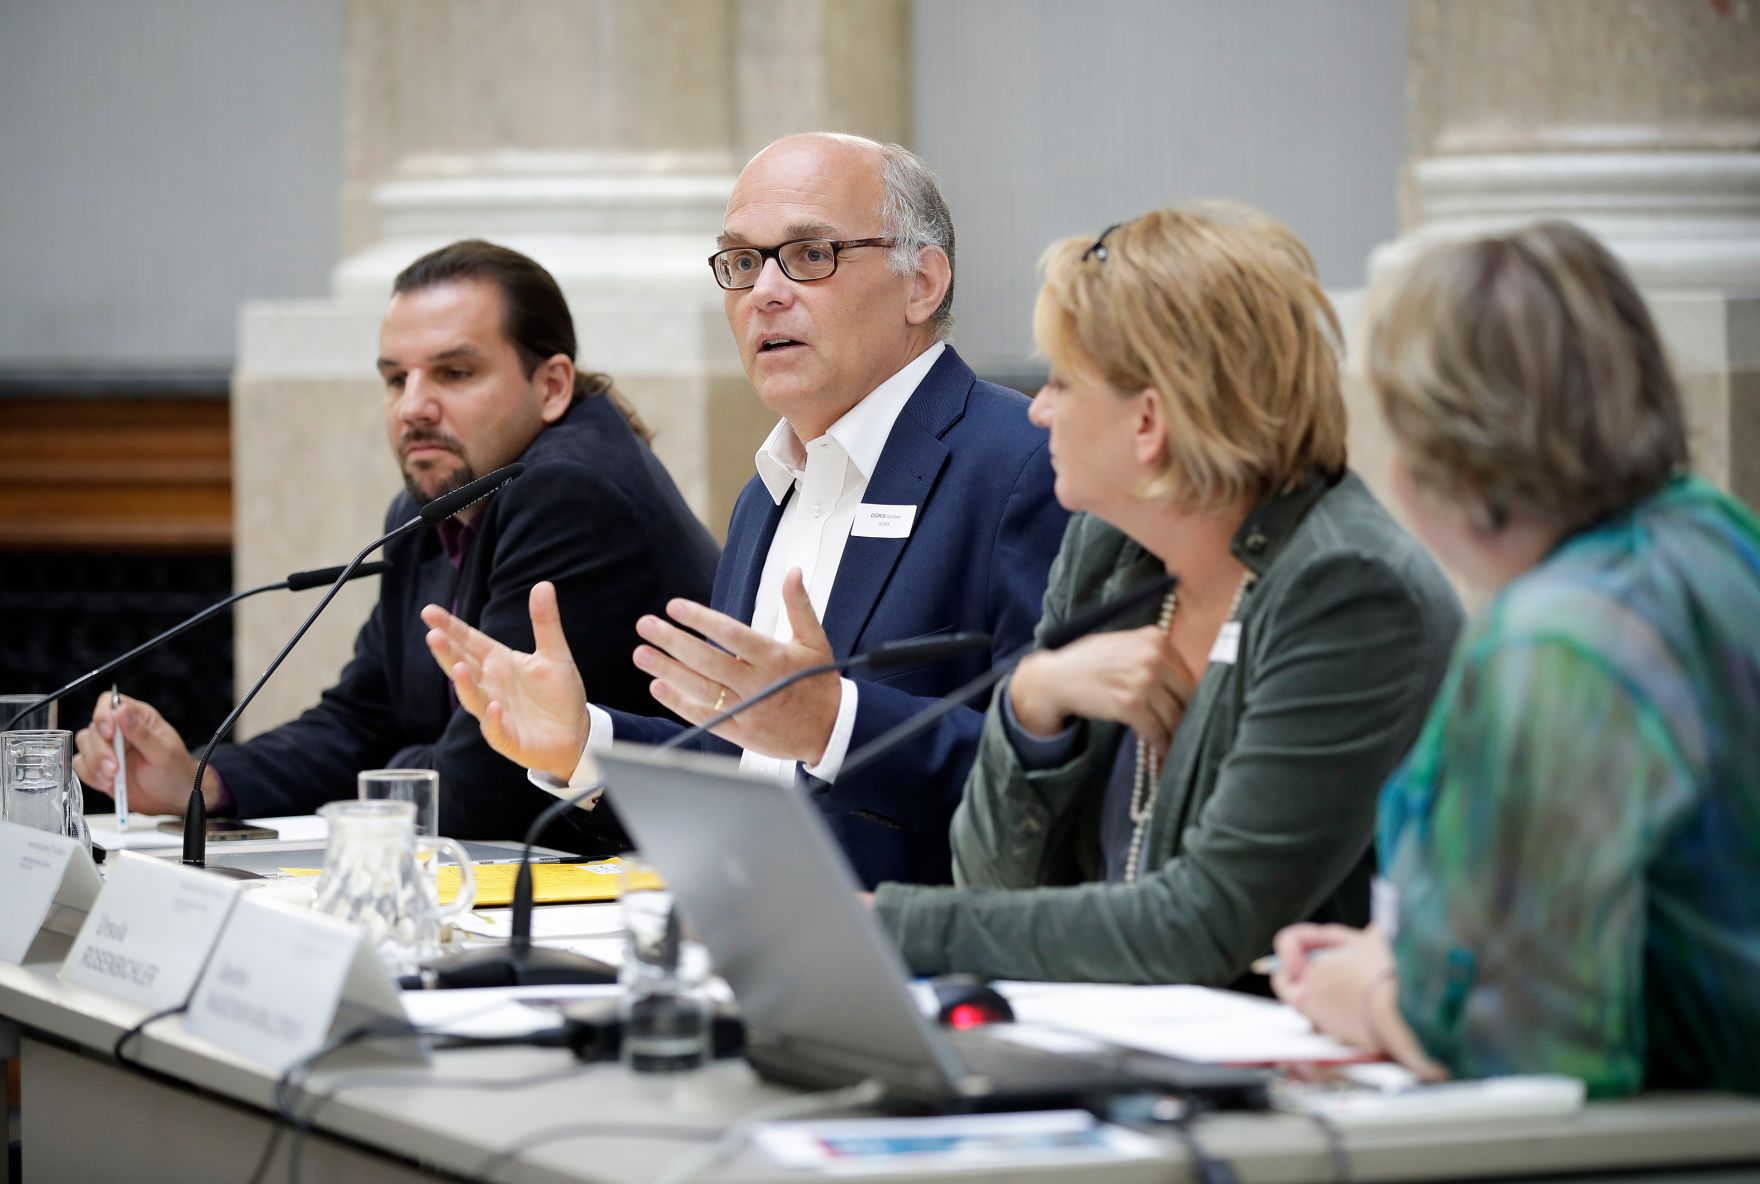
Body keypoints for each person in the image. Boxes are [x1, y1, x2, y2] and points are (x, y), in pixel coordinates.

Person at [422, 133, 1068, 887]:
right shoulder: (768, 490)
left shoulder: (1024, 464)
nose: (765, 291)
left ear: (921, 283)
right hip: (756, 943)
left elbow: (1054, 785)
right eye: (741, 262)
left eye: (809, 255)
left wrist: (837, 726)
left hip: (929, 963)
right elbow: (756, 766)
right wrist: (584, 742)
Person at [870, 203, 1462, 984]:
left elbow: (1203, 925)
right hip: (1115, 1050)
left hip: (1285, 1076)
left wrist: (882, 925)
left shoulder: (1348, 590)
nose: (1038, 409)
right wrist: (1031, 705)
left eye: (1061, 382)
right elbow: (993, 883)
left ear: (1148, 420)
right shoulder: (1112, 549)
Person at [1272, 222, 1760, 1095]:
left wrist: (1377, 999)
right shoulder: (1713, 534)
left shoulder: (1556, 640)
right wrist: (1421, 955)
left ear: (1447, 448)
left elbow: (1541, 1043)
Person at [71, 239, 721, 850]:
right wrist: (204, 781)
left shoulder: (568, 494)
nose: (413, 407)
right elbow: (362, 718)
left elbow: (482, 792)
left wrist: (401, 767)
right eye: (394, 379)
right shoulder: (436, 505)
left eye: (454, 372)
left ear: (550, 386)